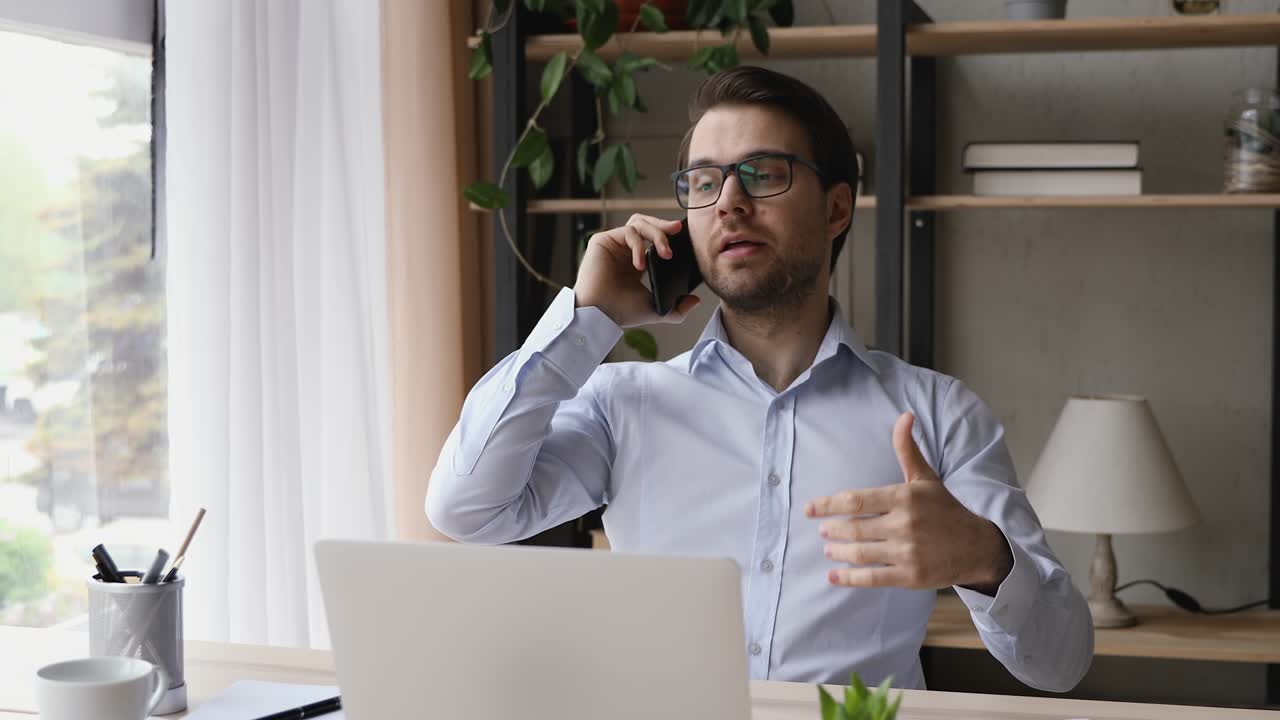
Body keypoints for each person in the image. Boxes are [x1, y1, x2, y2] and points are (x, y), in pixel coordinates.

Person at [427, 65, 1093, 691]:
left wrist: (985, 557)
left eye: (763, 174)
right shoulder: (623, 404)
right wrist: (587, 317)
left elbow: (1061, 664)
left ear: (836, 210)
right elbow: (466, 509)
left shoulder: (938, 415)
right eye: (704, 182)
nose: (730, 204)